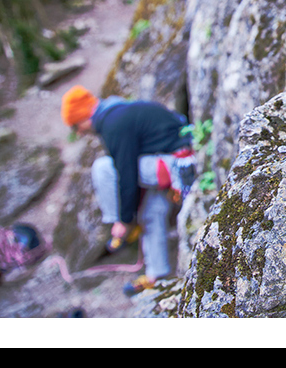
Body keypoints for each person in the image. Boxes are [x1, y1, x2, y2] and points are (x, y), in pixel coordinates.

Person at [60, 85, 193, 296]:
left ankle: (121, 225)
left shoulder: (113, 124)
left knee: (103, 168)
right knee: (152, 211)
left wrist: (124, 220)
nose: (79, 132)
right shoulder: (116, 112)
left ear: (84, 115)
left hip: (180, 163)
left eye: (76, 125)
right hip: (173, 160)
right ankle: (156, 275)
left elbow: (127, 175)